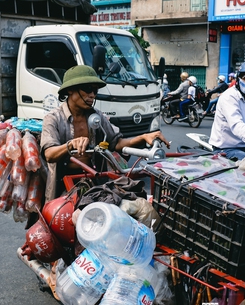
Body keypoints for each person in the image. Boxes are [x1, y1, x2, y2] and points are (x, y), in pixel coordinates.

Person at [40, 65, 169, 202]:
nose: (92, 95)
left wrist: (143, 137)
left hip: (95, 185)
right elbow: (49, 154)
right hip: (64, 186)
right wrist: (71, 145)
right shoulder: (53, 118)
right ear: (70, 90)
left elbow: (116, 143)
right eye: (88, 89)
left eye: (95, 91)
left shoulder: (97, 117)